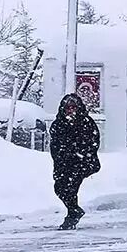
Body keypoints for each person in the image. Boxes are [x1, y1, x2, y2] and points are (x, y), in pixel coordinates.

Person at [49, 94, 100, 230]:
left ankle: (72, 216)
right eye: (68, 108)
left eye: (73, 107)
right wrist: (60, 159)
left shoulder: (86, 123)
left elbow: (93, 142)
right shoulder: (58, 124)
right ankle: (74, 210)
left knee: (71, 188)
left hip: (82, 163)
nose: (70, 111)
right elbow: (54, 145)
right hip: (64, 163)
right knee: (59, 188)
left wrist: (82, 155)